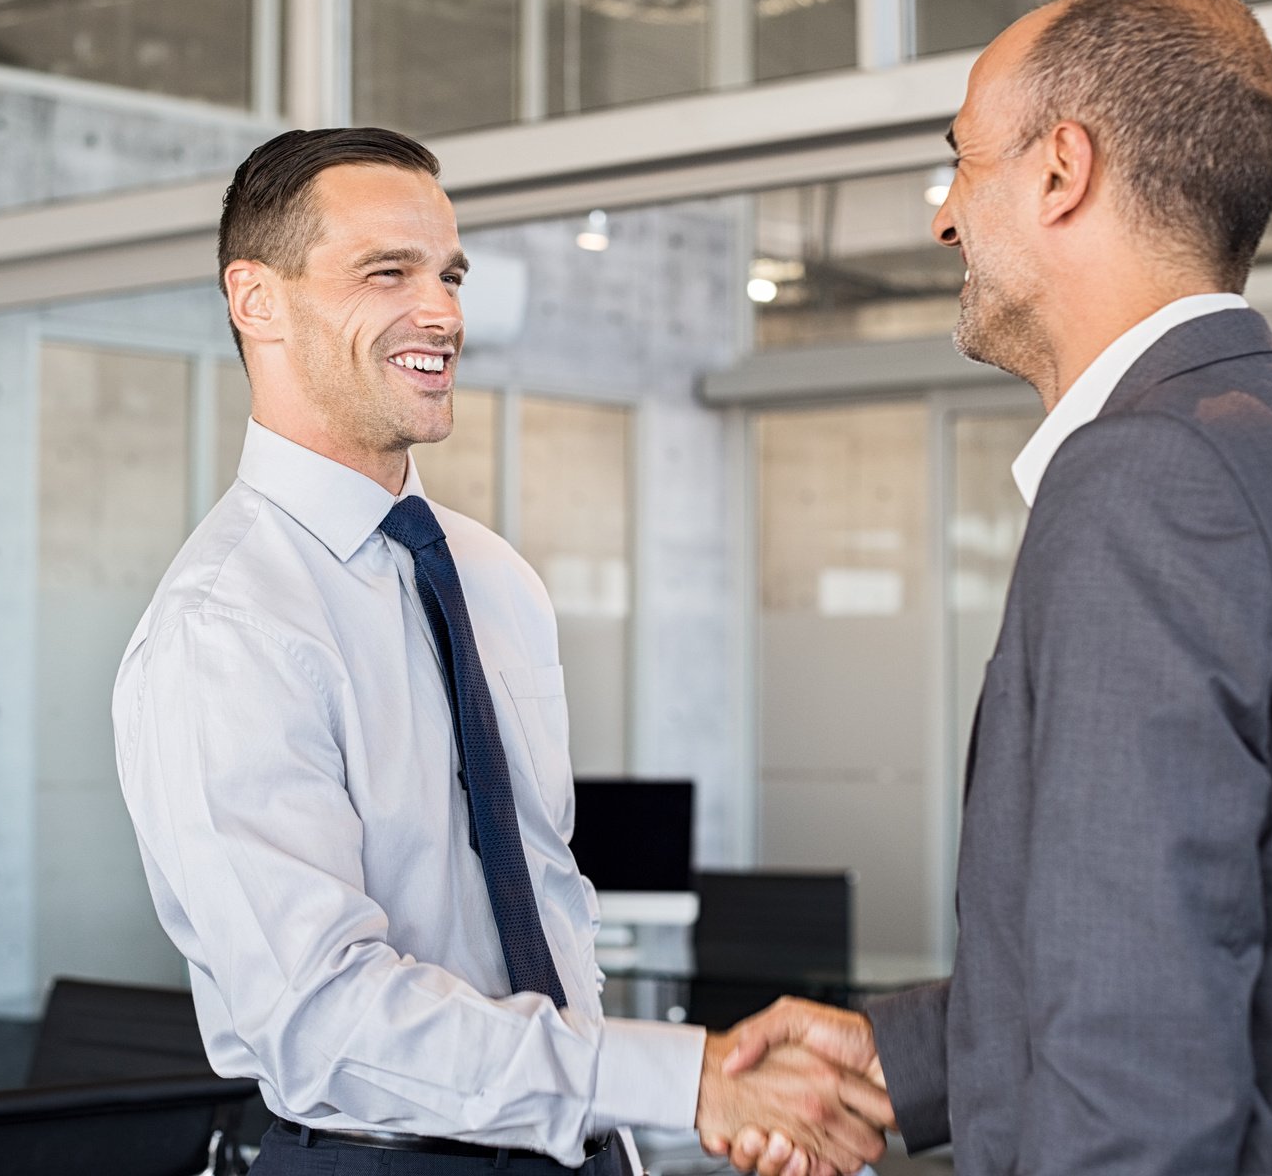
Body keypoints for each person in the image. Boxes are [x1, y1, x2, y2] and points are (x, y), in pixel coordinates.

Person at [111, 127, 893, 1176]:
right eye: (385, 272)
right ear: (256, 299)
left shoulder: (491, 580)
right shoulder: (225, 627)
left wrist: (682, 1112)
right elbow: (323, 1017)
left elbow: (550, 904)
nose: (439, 312)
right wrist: (681, 1078)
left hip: (576, 1149)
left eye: (448, 275)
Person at [720, 0, 1272, 1176]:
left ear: (1060, 170)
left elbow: (1134, 1047)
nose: (942, 218)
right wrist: (901, 1056)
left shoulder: (1144, 479)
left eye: (962, 163)